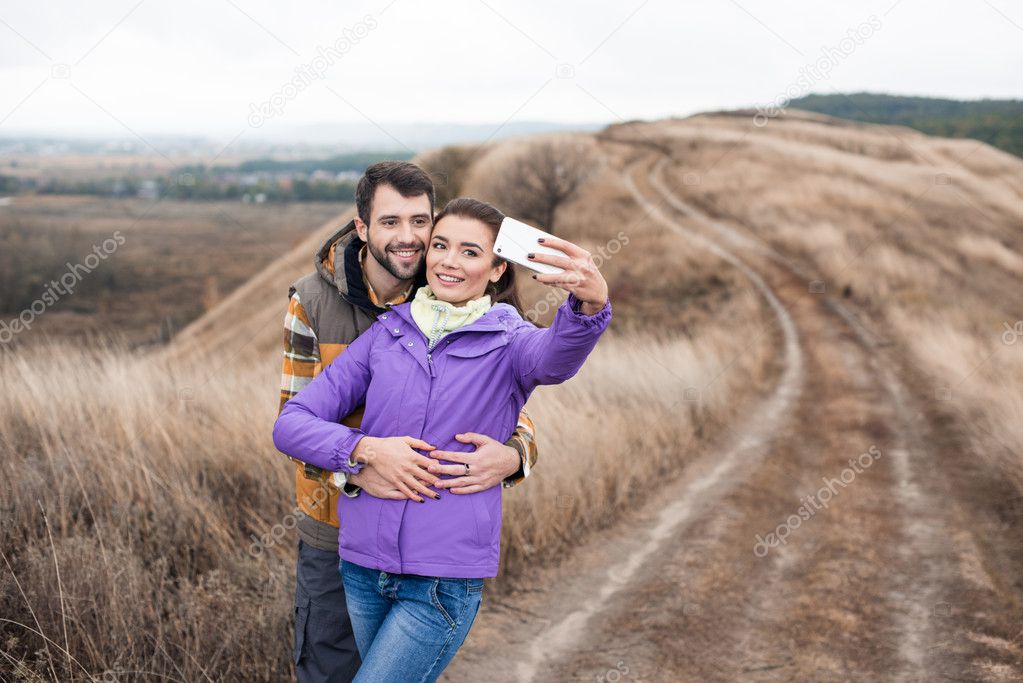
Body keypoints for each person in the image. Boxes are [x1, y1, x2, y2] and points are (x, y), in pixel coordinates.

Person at [273, 197, 611, 681]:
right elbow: (292, 423)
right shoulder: (388, 332)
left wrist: (590, 304)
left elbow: (557, 358)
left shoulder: (510, 341)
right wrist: (361, 451)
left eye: (471, 252)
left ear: (497, 270)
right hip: (362, 567)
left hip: (439, 582)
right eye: (441, 245)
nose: (450, 261)